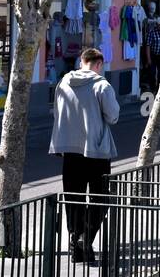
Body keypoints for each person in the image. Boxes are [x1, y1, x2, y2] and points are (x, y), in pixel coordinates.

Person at [49, 48, 119, 265]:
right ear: (98, 63)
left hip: (69, 150)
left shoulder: (63, 83)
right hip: (96, 151)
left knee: (73, 199)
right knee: (102, 199)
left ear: (82, 61)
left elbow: (57, 113)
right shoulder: (102, 85)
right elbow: (113, 116)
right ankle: (85, 238)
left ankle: (76, 245)